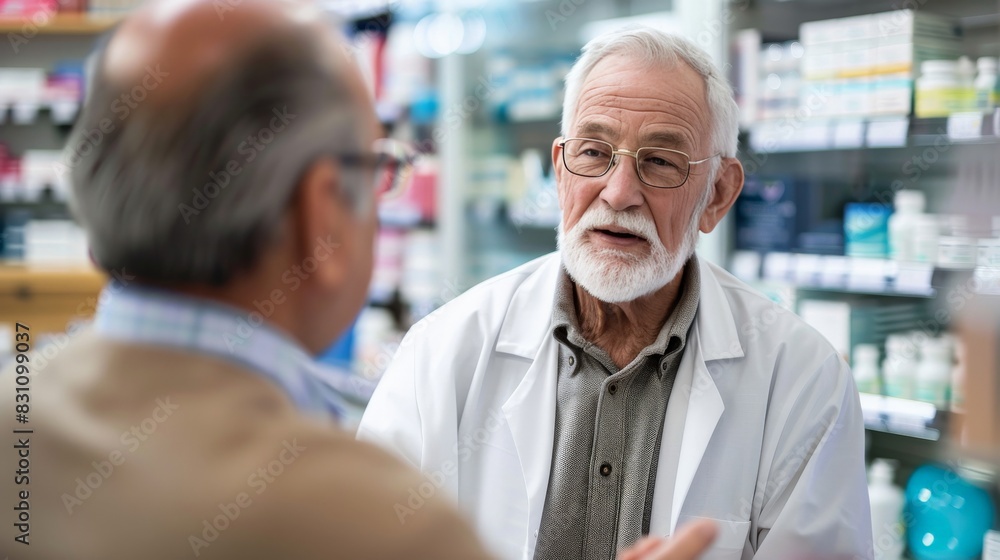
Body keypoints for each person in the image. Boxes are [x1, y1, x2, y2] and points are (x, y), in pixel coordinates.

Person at [0, 2, 720, 559]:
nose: (621, 190)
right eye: (377, 168)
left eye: (660, 163)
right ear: (320, 212)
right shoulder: (369, 523)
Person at [358, 26, 874, 560]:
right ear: (560, 171)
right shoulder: (440, 353)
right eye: (594, 152)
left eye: (660, 162)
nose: (620, 192)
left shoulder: (802, 379)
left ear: (717, 195)